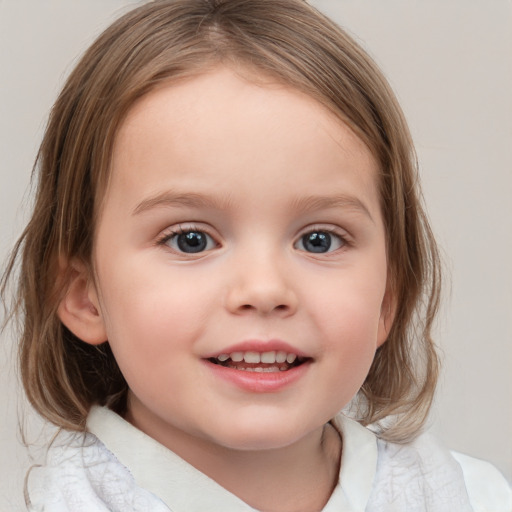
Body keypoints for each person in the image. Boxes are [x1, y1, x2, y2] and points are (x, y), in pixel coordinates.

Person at [1, 0, 510, 510]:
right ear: (85, 296)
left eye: (319, 240)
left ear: (386, 298)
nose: (264, 290)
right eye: (190, 240)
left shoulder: (471, 497)